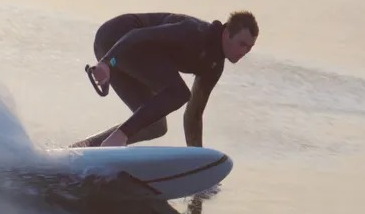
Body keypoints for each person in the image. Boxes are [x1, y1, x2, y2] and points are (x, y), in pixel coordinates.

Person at [70, 11, 259, 148]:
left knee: (155, 125)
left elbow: (193, 116)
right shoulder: (195, 32)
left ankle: (81, 150)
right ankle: (117, 139)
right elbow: (136, 35)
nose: (244, 52)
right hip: (117, 39)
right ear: (226, 33)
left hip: (123, 54)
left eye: (249, 48)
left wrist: (197, 162)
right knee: (178, 93)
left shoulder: (214, 66)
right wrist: (108, 62)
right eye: (241, 44)